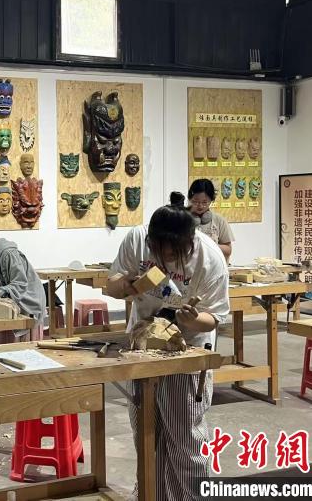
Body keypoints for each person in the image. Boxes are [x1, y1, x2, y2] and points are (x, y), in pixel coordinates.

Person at [106, 192, 229, 501]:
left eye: (173, 254)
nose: (165, 258)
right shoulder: (137, 239)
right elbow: (112, 285)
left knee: (186, 439)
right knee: (146, 435)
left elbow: (215, 318)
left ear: (189, 243)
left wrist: (193, 319)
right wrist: (127, 285)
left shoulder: (210, 258)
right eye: (158, 251)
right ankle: (151, 495)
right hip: (142, 347)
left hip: (186, 352)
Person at [188, 178, 234, 261]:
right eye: (196, 202)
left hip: (212, 266)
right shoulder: (181, 219)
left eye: (205, 202)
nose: (200, 206)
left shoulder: (219, 220)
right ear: (190, 199)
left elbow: (228, 251)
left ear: (211, 200)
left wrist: (209, 244)